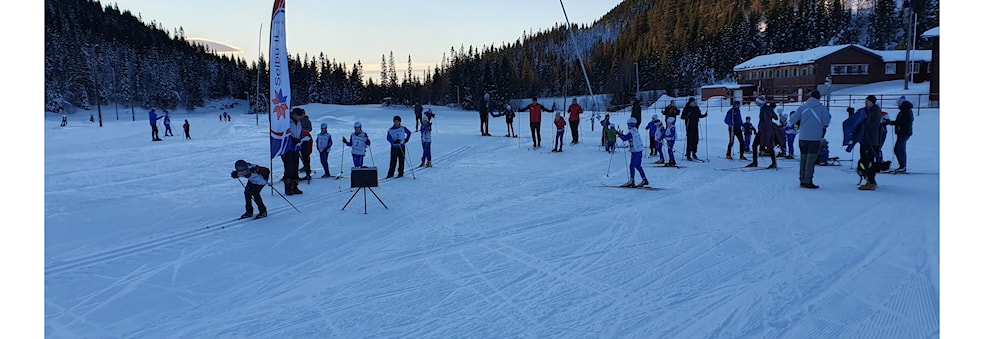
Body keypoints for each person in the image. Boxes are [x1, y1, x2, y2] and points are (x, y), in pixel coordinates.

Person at [787, 89, 831, 189]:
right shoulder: (822, 108)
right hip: (814, 138)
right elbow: (826, 122)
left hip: (802, 137)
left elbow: (792, 120)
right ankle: (808, 180)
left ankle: (802, 178)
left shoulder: (802, 107)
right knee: (811, 160)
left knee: (803, 158)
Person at [855, 95, 883, 190]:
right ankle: (868, 179)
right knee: (863, 160)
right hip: (865, 140)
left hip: (871, 141)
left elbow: (870, 124)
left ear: (872, 102)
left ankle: (871, 182)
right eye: (865, 100)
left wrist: (861, 123)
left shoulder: (875, 111)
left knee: (868, 161)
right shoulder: (866, 110)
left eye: (868, 101)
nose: (866, 102)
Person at [281, 108, 308, 195]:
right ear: (295, 115)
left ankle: (295, 186)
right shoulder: (287, 122)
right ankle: (288, 188)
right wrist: (292, 140)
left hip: (296, 148)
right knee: (289, 168)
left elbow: (299, 133)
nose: (300, 118)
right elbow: (284, 134)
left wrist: (301, 139)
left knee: (295, 168)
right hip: (287, 149)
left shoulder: (299, 123)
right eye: (299, 116)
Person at [617, 117, 649, 187]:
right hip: (638, 151)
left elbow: (625, 138)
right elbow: (626, 137)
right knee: (638, 166)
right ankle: (644, 179)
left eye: (628, 124)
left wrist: (618, 134)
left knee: (632, 166)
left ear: (630, 125)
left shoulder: (631, 132)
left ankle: (632, 180)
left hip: (636, 152)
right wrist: (620, 134)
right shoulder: (635, 131)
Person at [747, 98, 778, 168]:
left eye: (757, 102)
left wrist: (770, 114)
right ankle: (755, 162)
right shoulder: (763, 108)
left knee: (768, 146)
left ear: (760, 102)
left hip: (765, 131)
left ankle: (773, 163)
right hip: (762, 130)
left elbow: (776, 117)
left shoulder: (767, 108)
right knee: (755, 145)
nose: (756, 103)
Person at [886, 96, 913, 173]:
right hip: (902, 133)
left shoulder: (905, 111)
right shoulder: (904, 110)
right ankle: (903, 165)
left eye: (898, 103)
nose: (898, 105)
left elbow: (901, 121)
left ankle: (902, 166)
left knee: (898, 149)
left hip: (904, 133)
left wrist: (891, 122)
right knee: (901, 149)